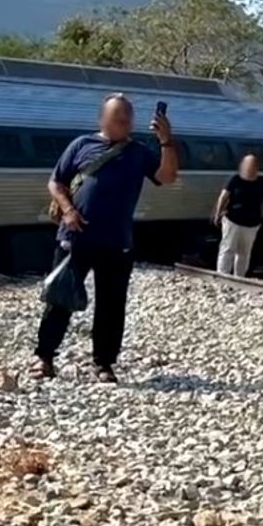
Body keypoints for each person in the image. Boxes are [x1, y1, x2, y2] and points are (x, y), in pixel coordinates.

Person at [32, 93, 178, 383]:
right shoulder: (81, 145)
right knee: (60, 297)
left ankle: (104, 363)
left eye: (127, 118)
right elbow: (56, 182)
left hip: (117, 241)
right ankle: (44, 357)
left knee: (112, 305)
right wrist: (68, 210)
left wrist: (166, 141)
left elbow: (167, 176)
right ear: (102, 119)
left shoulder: (138, 152)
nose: (124, 122)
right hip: (75, 237)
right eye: (117, 117)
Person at [213, 153, 263, 277]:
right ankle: (223, 276)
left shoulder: (262, 181)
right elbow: (223, 197)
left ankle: (240, 277)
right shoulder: (235, 179)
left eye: (253, 165)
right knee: (228, 248)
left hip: (252, 223)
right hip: (232, 220)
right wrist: (218, 213)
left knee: (244, 252)